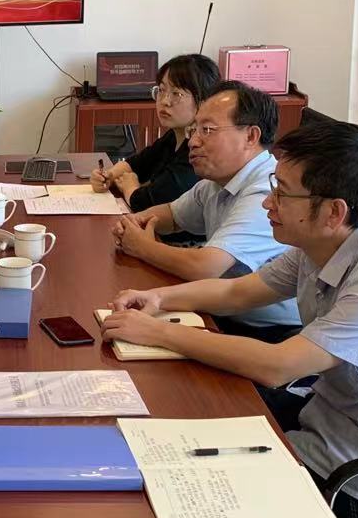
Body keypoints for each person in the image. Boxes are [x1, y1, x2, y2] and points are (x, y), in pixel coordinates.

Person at [101, 119, 358, 507]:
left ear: (333, 211)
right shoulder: (322, 245)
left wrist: (159, 332)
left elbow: (277, 366)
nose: (268, 202)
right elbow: (237, 291)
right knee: (180, 418)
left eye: (282, 192)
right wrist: (158, 299)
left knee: (185, 484)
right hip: (328, 418)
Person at [110, 80, 300, 340]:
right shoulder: (217, 181)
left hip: (269, 333)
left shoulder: (266, 191)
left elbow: (206, 268)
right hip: (221, 312)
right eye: (194, 129)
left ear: (251, 136)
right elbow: (172, 216)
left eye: (207, 130)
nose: (193, 141)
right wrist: (133, 222)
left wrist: (142, 246)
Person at [89, 53, 218, 211]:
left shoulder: (199, 152)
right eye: (162, 90)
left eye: (176, 94)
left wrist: (130, 188)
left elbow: (147, 203)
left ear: (203, 101)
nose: (164, 101)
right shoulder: (174, 136)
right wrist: (109, 176)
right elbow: (137, 164)